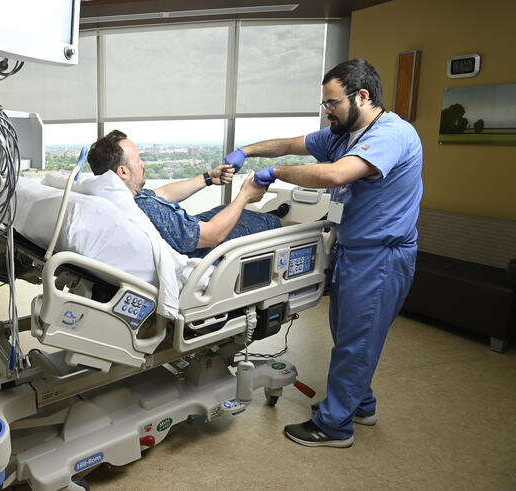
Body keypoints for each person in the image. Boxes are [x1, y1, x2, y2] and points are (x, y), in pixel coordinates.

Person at [224, 59, 423, 448]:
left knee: (356, 341)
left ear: (361, 96)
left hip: (381, 257)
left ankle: (335, 427)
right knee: (349, 336)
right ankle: (359, 404)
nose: (327, 111)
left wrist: (277, 173)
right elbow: (290, 144)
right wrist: (244, 151)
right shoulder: (339, 133)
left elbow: (336, 175)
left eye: (332, 103)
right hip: (353, 250)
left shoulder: (393, 134)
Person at [86, 130, 277, 259]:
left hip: (188, 232)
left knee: (222, 209)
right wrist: (245, 195)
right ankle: (292, 225)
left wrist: (208, 178)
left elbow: (164, 193)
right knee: (260, 222)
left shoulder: (122, 198)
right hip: (205, 250)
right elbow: (212, 236)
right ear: (123, 172)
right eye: (138, 160)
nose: (143, 164)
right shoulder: (145, 207)